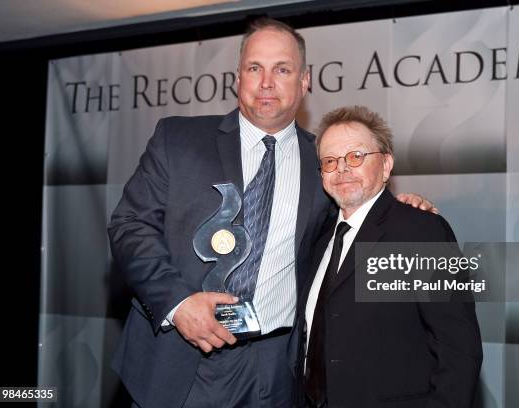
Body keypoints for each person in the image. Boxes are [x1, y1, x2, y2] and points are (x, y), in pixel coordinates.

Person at [108, 19, 435, 408]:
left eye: (282, 69)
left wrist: (399, 210)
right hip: (178, 355)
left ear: (304, 81)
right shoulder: (177, 140)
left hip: (277, 369)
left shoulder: (324, 165)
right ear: (237, 78)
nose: (266, 82)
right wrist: (179, 305)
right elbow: (130, 224)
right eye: (254, 68)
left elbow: (357, 218)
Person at [296, 106, 482, 408]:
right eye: (329, 162)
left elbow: (459, 348)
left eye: (356, 156)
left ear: (386, 165)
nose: (342, 169)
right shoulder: (318, 239)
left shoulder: (422, 231)